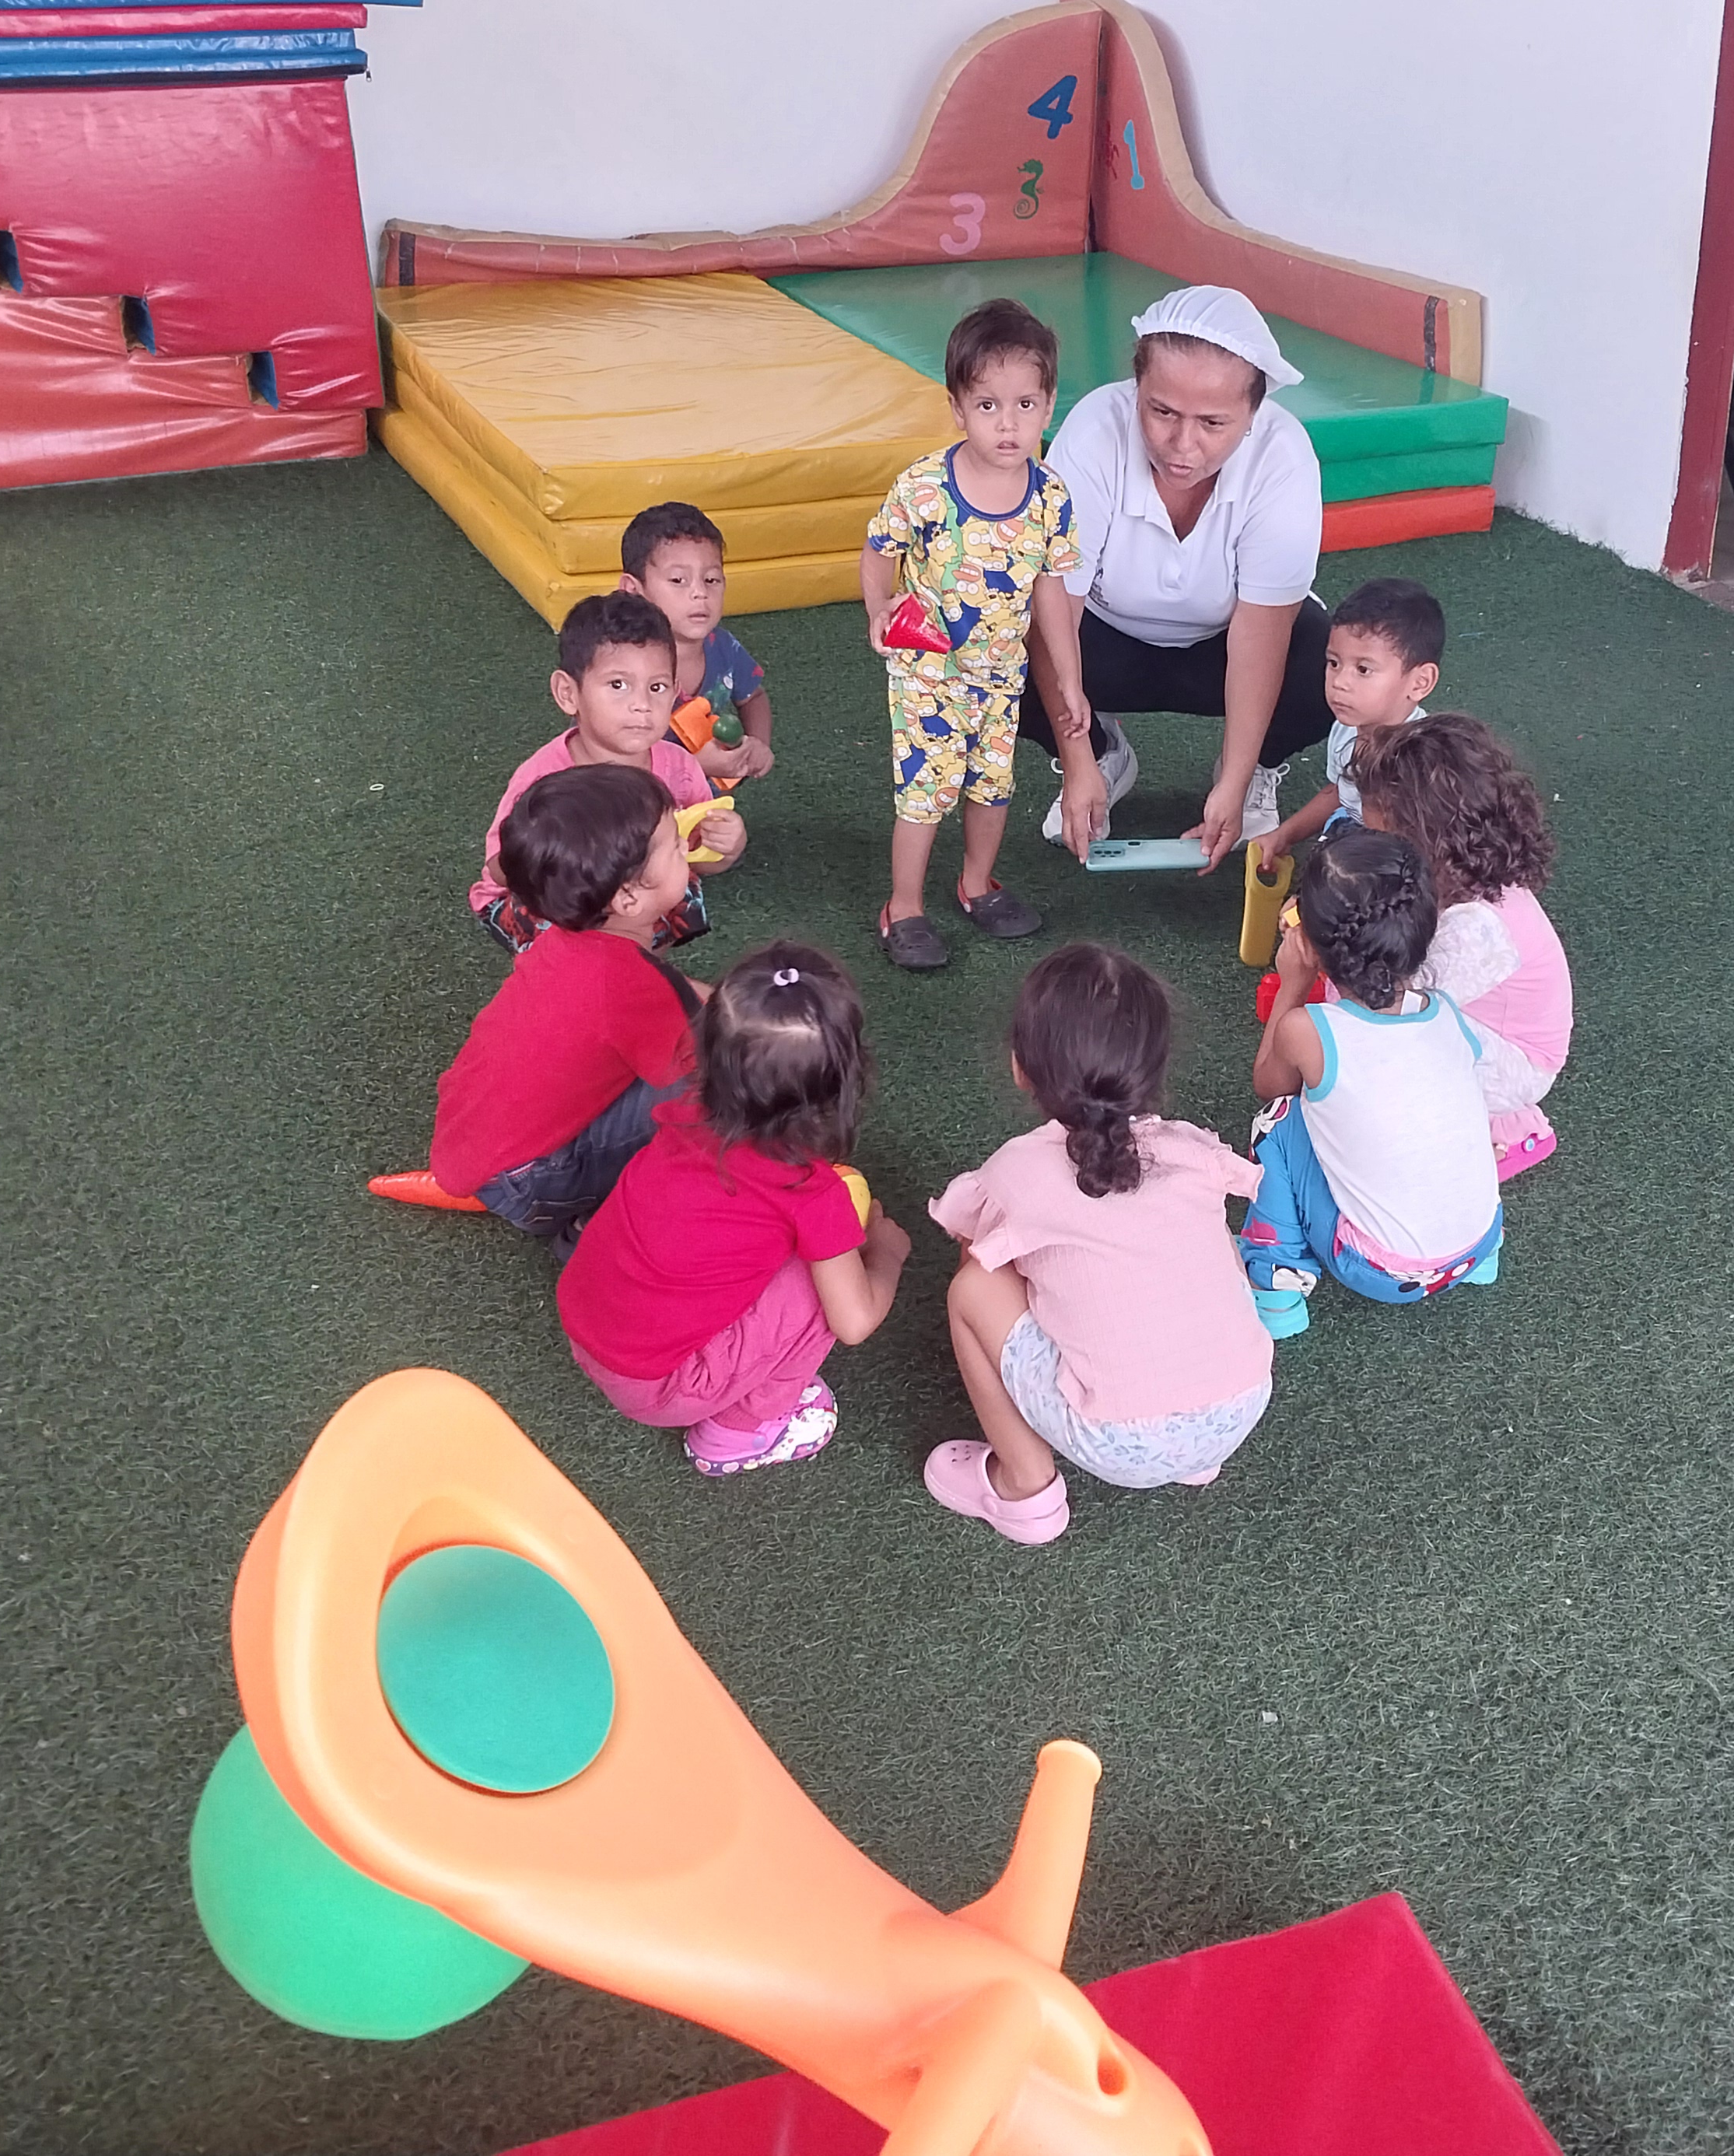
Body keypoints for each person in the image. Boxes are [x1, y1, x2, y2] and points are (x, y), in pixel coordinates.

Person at [920, 944, 1274, 1546]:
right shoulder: (1192, 1150)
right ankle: (1194, 1459)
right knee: (1213, 1243)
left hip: (1117, 1439)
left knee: (973, 1288)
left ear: (1020, 1066)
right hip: (1240, 1407)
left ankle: (1024, 1486)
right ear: (1154, 1068)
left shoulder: (1015, 1173)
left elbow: (975, 1248)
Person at [556, 943, 912, 1477]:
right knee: (824, 1287)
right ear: (843, 1082)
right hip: (659, 1386)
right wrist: (885, 1256)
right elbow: (855, 1321)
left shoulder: (683, 1111)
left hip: (586, 1322)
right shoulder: (812, 1193)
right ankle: (735, 1434)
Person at [1028, 285, 1333, 873]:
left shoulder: (1284, 457)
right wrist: (1077, 759)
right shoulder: (1093, 433)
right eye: (1162, 411)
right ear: (1136, 388)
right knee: (997, 636)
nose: (1182, 445)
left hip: (1223, 646)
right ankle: (1103, 754)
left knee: (1327, 661)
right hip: (1100, 642)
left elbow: (1260, 638)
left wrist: (1234, 784)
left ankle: (1256, 767)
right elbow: (1053, 616)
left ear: (1253, 414)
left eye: (1213, 422)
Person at [860, 299, 1079, 971]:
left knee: (992, 785)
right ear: (957, 408)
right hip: (928, 673)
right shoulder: (924, 489)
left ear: (1048, 406)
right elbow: (879, 548)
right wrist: (879, 608)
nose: (1008, 424)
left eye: (1025, 404)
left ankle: (977, 884)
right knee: (926, 792)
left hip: (1002, 676)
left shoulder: (1050, 497)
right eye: (987, 405)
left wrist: (1071, 681)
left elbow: (1050, 588)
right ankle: (903, 907)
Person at [1239, 827, 1502, 1336]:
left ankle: (1277, 1287)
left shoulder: (1310, 1030)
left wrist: (1293, 984)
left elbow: (1269, 1085)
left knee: (1277, 1122)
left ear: (1313, 946)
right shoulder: (1446, 1012)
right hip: (1477, 1242)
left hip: (1383, 1272)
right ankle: (1483, 1260)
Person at [429, 765, 702, 1250]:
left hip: (477, 1148)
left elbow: (673, 997)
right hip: (531, 1184)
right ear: (627, 897)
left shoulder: (563, 940)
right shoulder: (631, 983)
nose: (686, 846)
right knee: (714, 1088)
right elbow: (710, 1060)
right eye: (675, 846)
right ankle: (593, 1232)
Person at [1355, 716, 1572, 1182]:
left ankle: (1497, 1131)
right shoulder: (1466, 879)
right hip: (1488, 1027)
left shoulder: (1480, 927)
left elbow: (1396, 1001)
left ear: (1428, 839)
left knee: (1386, 1039)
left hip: (1516, 1065)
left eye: (1387, 842)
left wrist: (1331, 946)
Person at [471, 589, 744, 953]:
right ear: (568, 693)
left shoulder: (679, 768)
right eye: (618, 685)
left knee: (680, 888)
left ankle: (643, 968)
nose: (642, 705)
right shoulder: (544, 778)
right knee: (560, 923)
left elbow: (691, 858)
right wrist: (571, 862)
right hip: (538, 894)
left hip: (631, 892)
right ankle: (560, 977)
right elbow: (501, 869)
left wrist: (725, 848)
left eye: (657, 687)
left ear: (675, 693)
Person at [1251, 576, 1443, 873]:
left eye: (1363, 669)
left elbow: (1426, 852)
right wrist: (1285, 834)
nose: (1339, 682)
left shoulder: (1424, 760)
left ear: (1420, 683)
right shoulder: (1348, 727)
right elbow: (1340, 791)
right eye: (1334, 663)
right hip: (1357, 833)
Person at [618, 501, 775, 784]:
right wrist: (692, 766)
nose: (700, 593)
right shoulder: (618, 665)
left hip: (700, 801)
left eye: (711, 579)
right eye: (679, 580)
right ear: (634, 590)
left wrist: (758, 745)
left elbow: (754, 697)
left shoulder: (723, 646)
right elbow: (606, 760)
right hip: (629, 801)